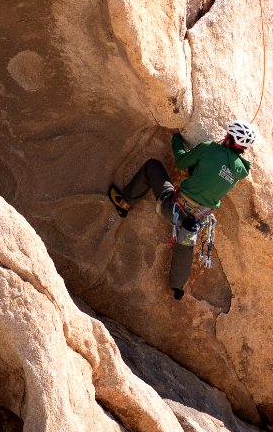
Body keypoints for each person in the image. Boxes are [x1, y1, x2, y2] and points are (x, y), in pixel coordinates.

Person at [108, 120, 257, 300]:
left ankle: (124, 203)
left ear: (228, 137)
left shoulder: (210, 148)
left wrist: (177, 139)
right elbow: (213, 174)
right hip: (197, 221)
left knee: (152, 167)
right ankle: (177, 287)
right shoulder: (240, 171)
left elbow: (180, 162)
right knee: (185, 244)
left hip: (173, 208)